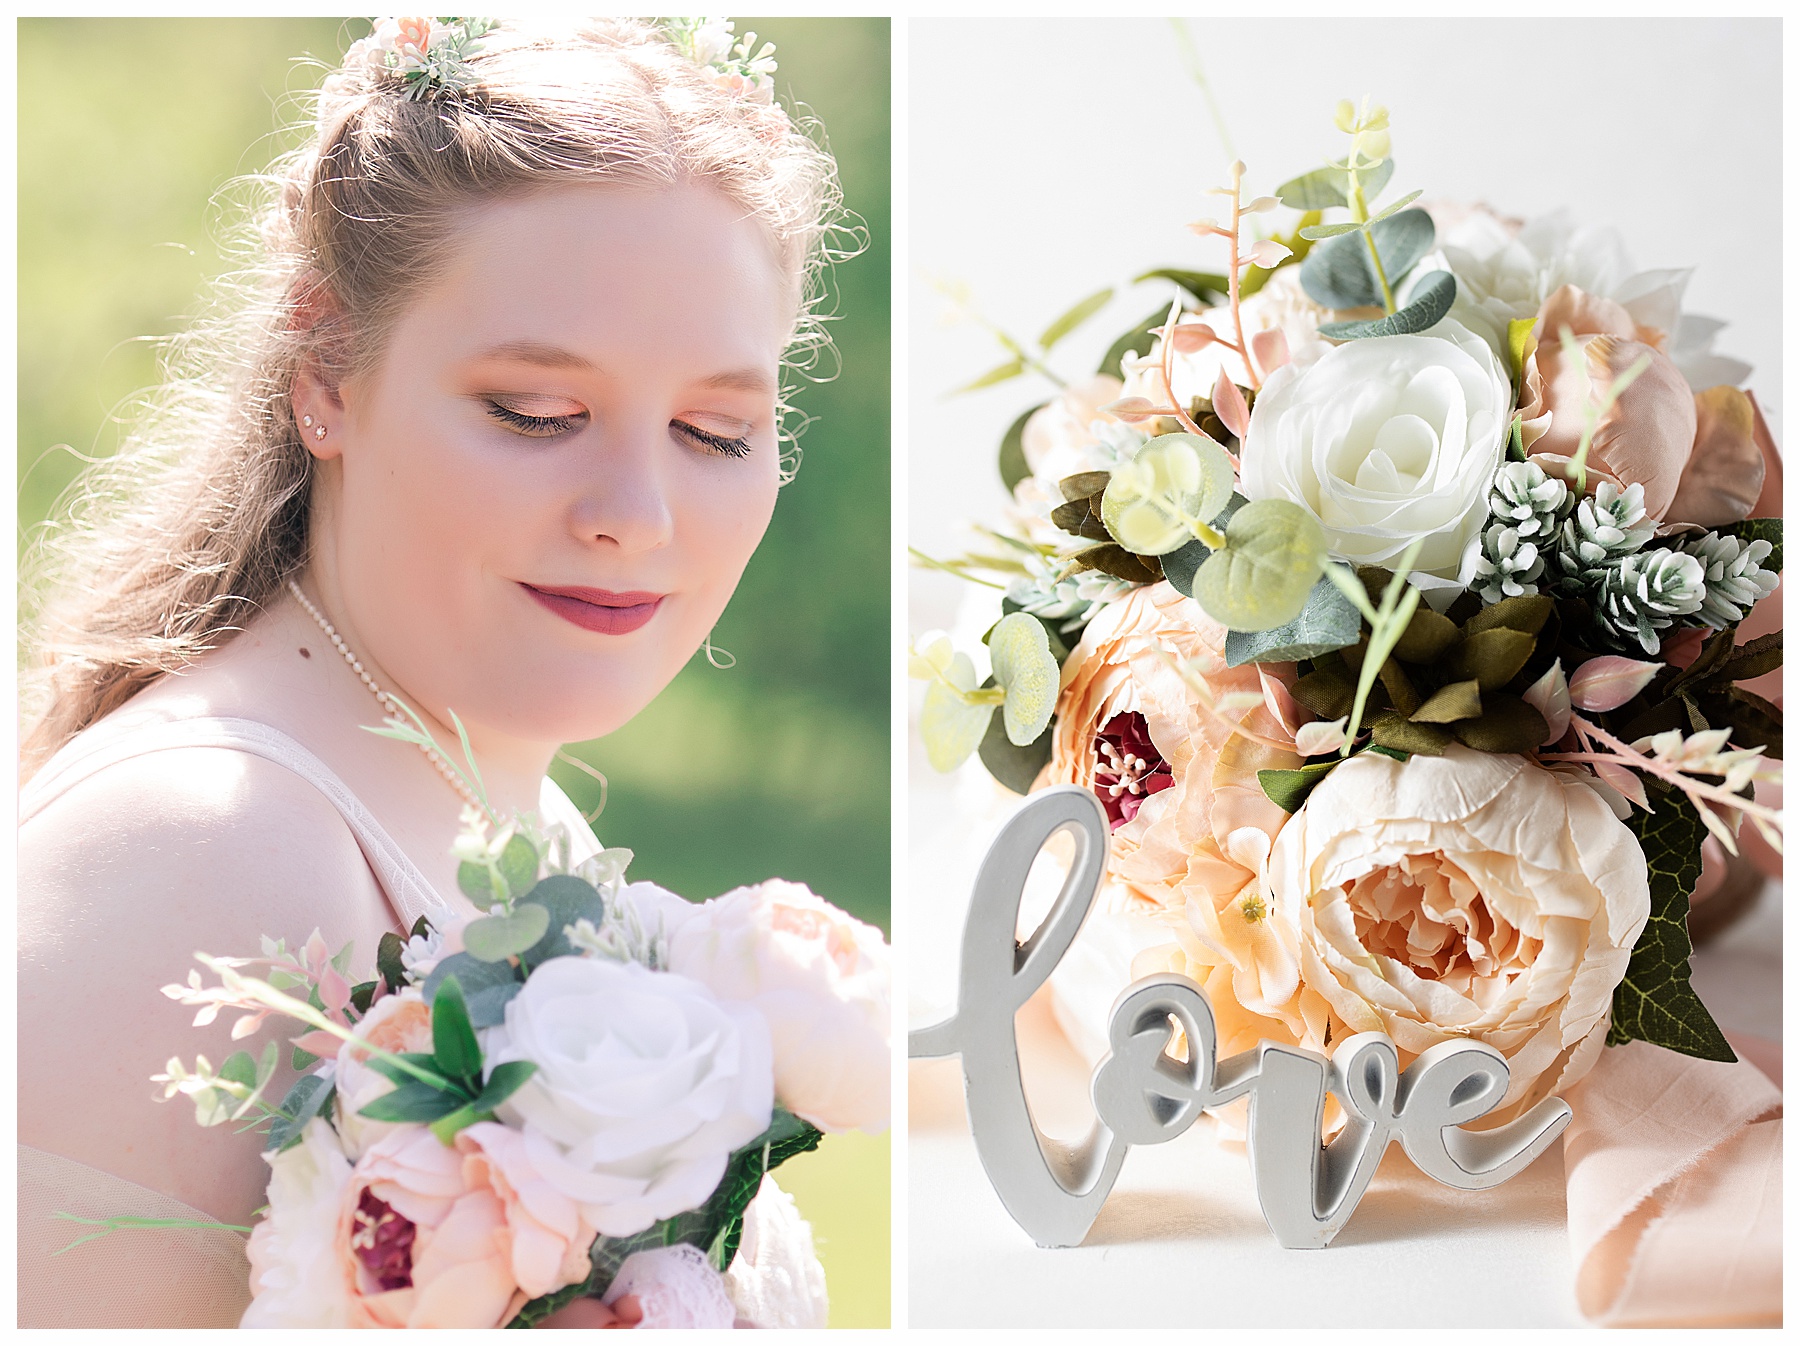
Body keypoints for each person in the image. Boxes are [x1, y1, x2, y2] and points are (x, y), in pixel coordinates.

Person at [18, 17, 846, 1327]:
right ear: (328, 371)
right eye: (536, 414)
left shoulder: (506, 807)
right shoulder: (206, 855)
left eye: (714, 430)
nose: (638, 512)